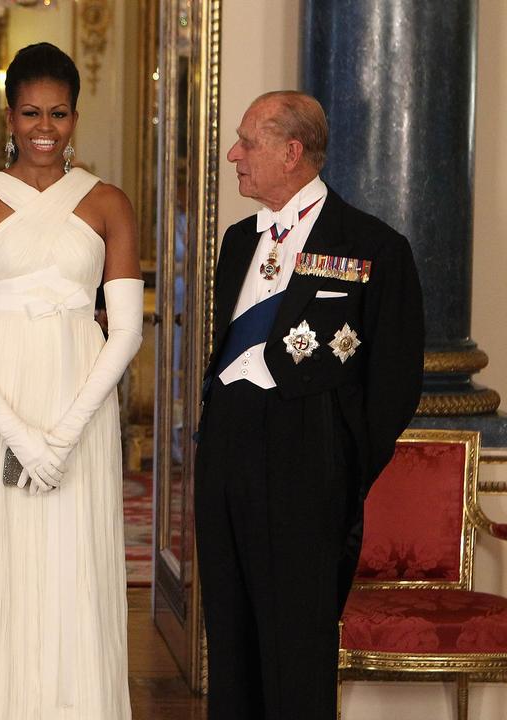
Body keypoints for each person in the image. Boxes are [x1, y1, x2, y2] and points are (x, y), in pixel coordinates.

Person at [0, 43, 142, 719]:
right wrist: (20, 435)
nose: (46, 127)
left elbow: (125, 329)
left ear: (76, 116)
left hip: (82, 393)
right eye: (32, 113)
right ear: (10, 117)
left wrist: (61, 437)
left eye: (60, 113)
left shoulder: (107, 203)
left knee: (72, 566)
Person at [195, 91, 424, 720]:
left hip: (307, 462)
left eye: (248, 142)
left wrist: (341, 463)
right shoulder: (239, 241)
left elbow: (395, 380)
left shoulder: (374, 246)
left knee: (297, 641)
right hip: (227, 457)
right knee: (232, 630)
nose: (234, 156)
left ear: (292, 152)